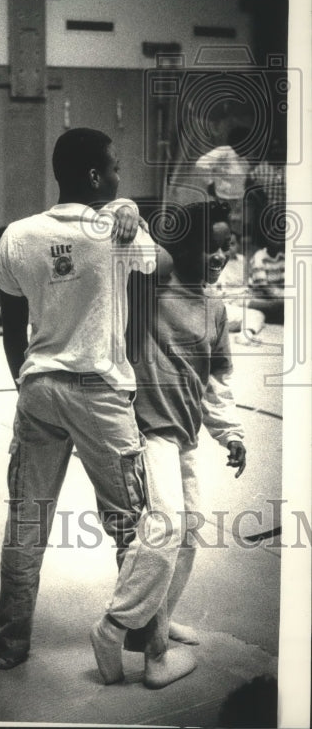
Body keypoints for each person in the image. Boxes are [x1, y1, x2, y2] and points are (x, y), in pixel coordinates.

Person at [0, 127, 197, 689]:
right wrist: (131, 213)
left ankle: (8, 642)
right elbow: (169, 269)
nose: (121, 179)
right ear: (96, 177)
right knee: (134, 526)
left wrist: (26, 384)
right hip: (101, 395)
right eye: (116, 171)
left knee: (26, 520)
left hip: (39, 387)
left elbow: (9, 325)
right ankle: (147, 648)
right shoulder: (116, 230)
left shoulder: (17, 234)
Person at [125, 200, 247, 668]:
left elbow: (217, 379)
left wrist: (231, 432)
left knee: (192, 532)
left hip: (187, 433)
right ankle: (150, 650)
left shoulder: (215, 305)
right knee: (167, 527)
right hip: (149, 431)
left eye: (227, 247)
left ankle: (161, 615)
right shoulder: (151, 287)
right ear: (182, 247)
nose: (220, 257)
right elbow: (134, 248)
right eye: (211, 248)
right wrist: (129, 216)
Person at [194, 126, 252, 236]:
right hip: (221, 198)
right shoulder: (223, 151)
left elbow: (243, 178)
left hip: (238, 201)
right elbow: (201, 163)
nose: (249, 147)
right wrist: (210, 182)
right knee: (219, 230)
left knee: (235, 234)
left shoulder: (244, 159)